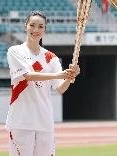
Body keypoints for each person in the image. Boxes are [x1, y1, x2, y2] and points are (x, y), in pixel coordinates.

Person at [6, 11, 80, 156]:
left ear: (44, 30)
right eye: (32, 25)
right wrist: (59, 74)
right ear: (25, 26)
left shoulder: (51, 57)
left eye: (40, 26)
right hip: (21, 121)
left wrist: (70, 77)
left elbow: (60, 89)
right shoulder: (15, 51)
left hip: (45, 121)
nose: (36, 30)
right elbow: (27, 76)